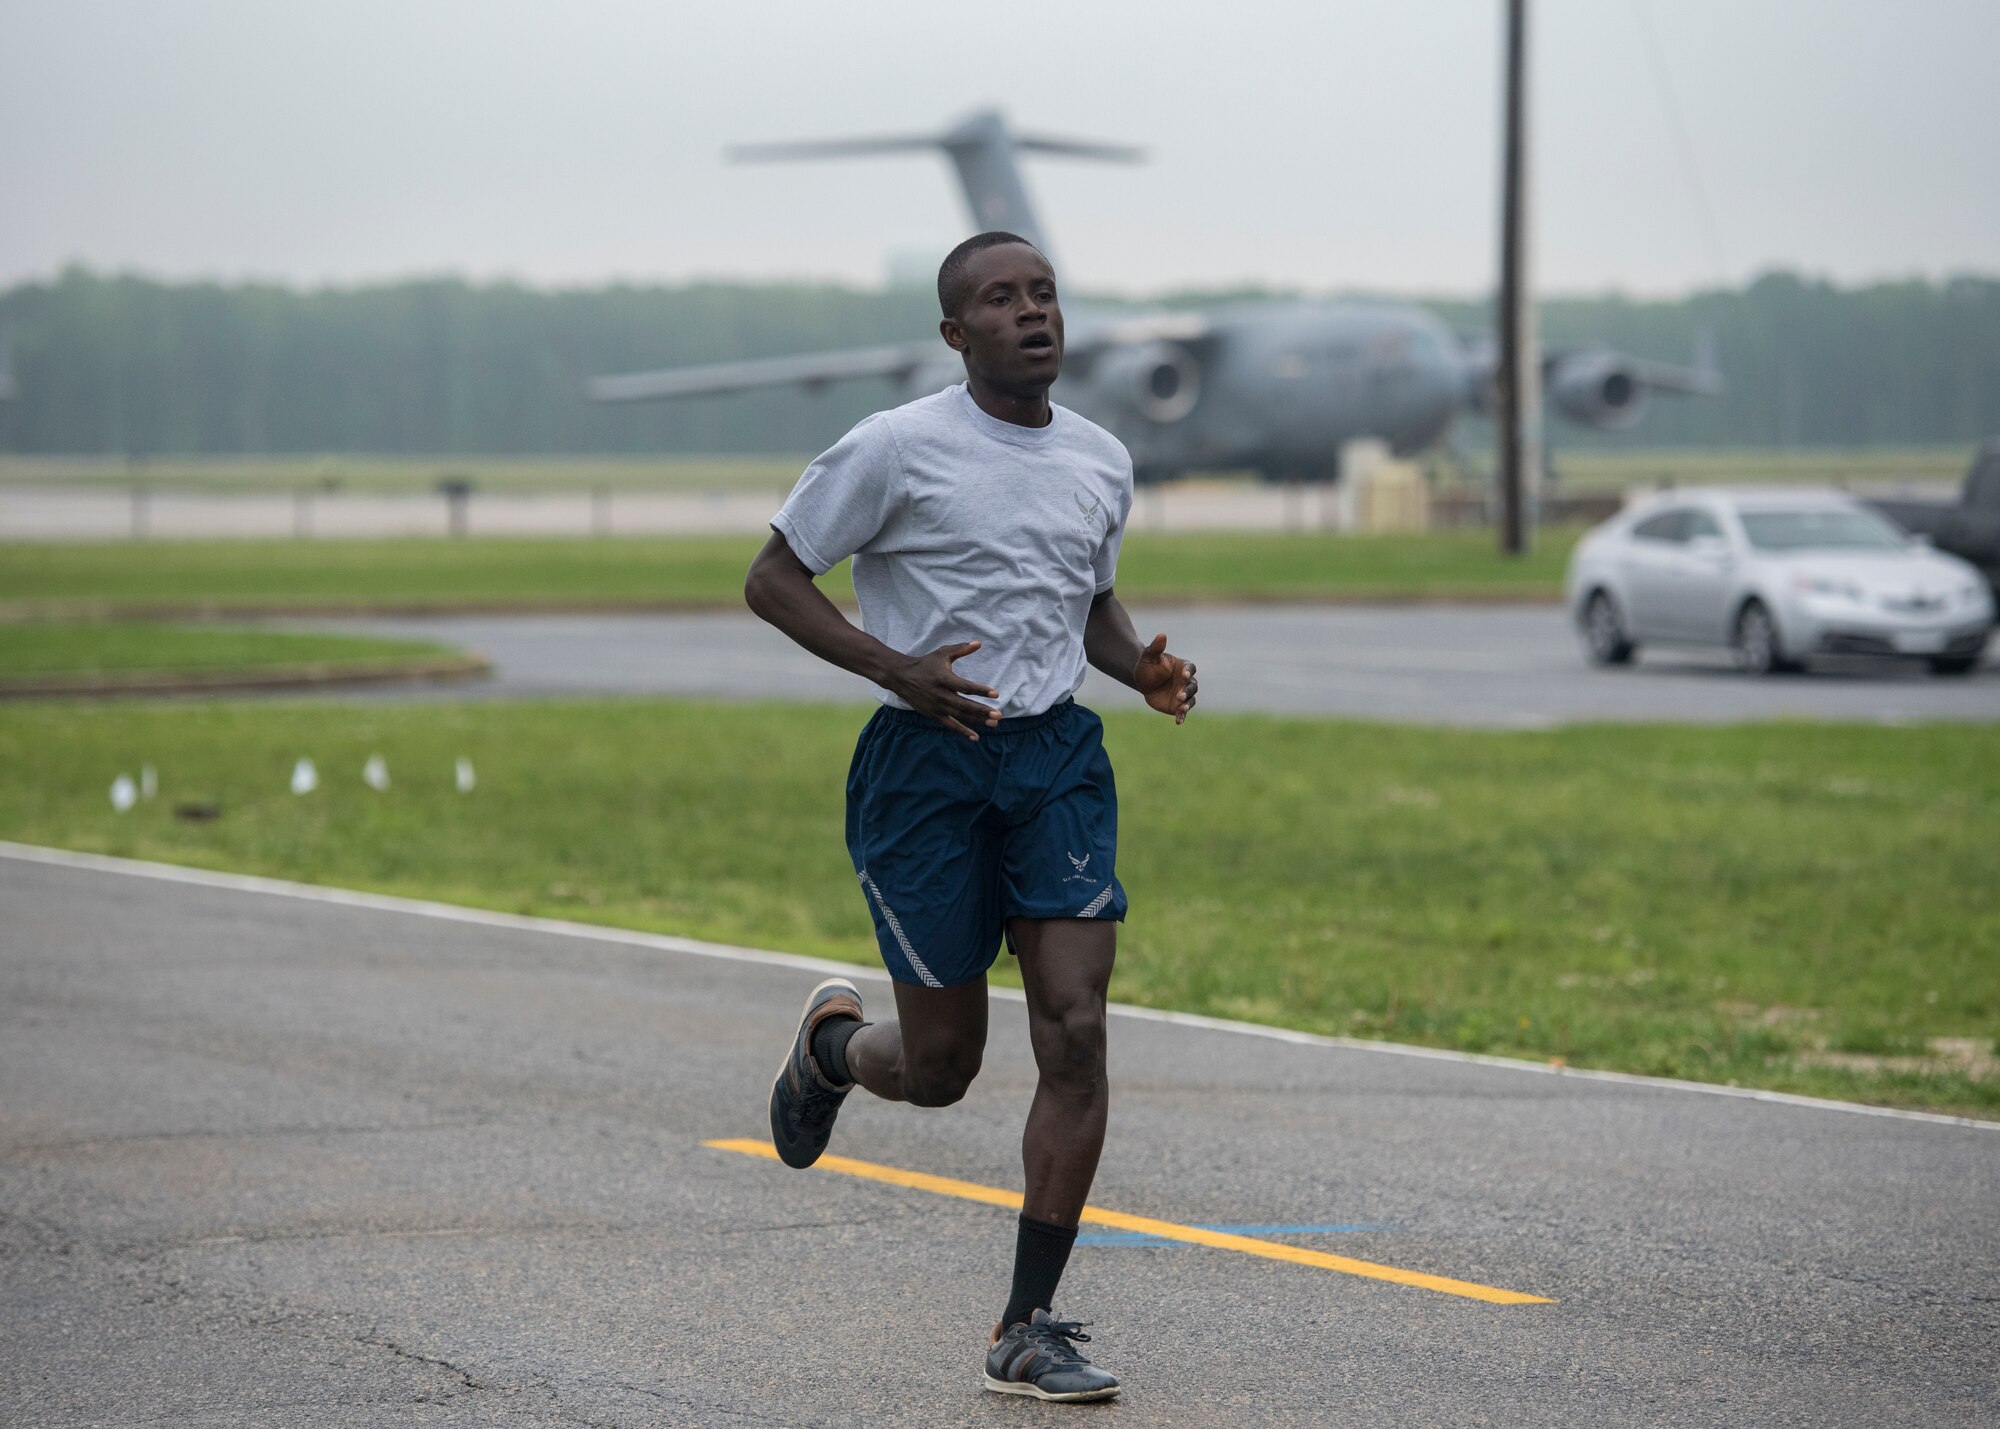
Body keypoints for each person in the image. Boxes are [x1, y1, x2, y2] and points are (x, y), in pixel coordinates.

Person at [744, 230, 1197, 1404]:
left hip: (1053, 759)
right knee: (941, 1067)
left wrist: (1134, 668)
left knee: (1076, 1024)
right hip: (925, 762)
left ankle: (1026, 1324)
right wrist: (896, 667)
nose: (1031, 312)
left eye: (1042, 293)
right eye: (1000, 299)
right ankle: (832, 1050)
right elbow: (772, 579)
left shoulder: (1100, 459)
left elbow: (1084, 603)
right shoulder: (894, 447)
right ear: (956, 334)